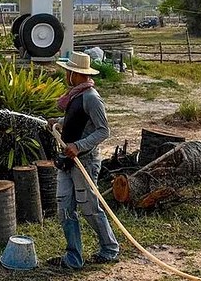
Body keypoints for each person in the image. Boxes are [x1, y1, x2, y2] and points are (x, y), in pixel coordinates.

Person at [46, 51, 119, 269]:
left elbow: (103, 131)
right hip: (67, 161)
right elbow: (75, 120)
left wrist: (78, 146)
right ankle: (73, 257)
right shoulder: (76, 95)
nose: (66, 74)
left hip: (84, 162)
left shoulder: (92, 98)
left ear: (77, 75)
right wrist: (59, 122)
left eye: (68, 71)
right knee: (65, 207)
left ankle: (109, 248)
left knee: (89, 208)